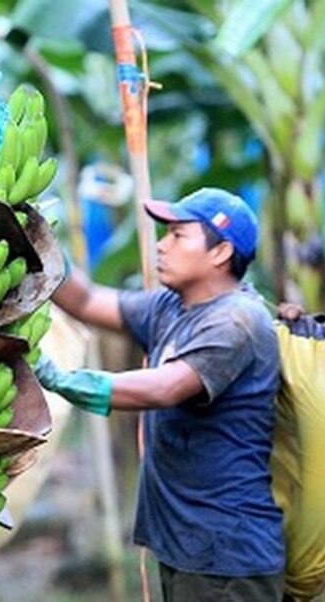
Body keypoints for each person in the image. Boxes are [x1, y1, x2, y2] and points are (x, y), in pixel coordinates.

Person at [36, 187, 285, 601]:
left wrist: (67, 381)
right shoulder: (171, 307)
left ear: (221, 253)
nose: (161, 246)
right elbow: (88, 299)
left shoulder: (238, 322)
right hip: (187, 549)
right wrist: (34, 242)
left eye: (177, 235)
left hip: (227, 558)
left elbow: (168, 386)